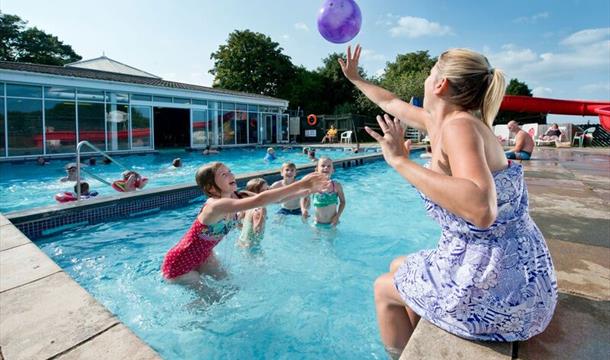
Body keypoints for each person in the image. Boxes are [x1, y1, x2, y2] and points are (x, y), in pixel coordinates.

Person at [340, 44, 557, 357]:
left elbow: (482, 209)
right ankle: (416, 336)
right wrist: (356, 79)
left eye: (430, 75)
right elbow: (390, 101)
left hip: (502, 291)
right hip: (523, 275)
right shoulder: (443, 123)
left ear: (440, 85)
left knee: (382, 288)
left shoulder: (459, 127)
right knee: (398, 265)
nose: (426, 81)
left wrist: (401, 162)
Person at [161, 162, 329, 286]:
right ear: (211, 188)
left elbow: (275, 200)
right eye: (224, 175)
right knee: (211, 299)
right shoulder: (215, 205)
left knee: (230, 287)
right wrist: (301, 183)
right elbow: (261, 199)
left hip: (203, 256)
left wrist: (308, 190)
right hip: (180, 263)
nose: (231, 175)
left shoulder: (237, 196)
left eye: (230, 171)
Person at [301, 157, 345, 226]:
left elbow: (343, 202)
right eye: (323, 166)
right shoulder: (313, 186)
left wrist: (337, 216)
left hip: (332, 222)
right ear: (316, 169)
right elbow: (304, 198)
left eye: (329, 166)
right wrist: (303, 209)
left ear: (333, 170)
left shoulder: (336, 186)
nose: (326, 168)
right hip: (316, 222)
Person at [238, 178, 269, 248]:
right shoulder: (258, 210)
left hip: (241, 241)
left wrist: (246, 230)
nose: (268, 192)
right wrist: (263, 212)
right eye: (264, 191)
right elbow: (257, 232)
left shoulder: (247, 207)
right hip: (251, 246)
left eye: (267, 189)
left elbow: (237, 222)